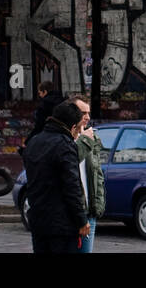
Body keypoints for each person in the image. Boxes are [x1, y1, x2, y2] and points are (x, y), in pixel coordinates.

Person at [22, 100, 89, 254]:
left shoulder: (34, 142)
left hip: (38, 219)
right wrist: (81, 220)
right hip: (62, 224)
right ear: (72, 127)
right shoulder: (65, 146)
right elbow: (72, 187)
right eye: (78, 130)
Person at [70, 94, 106, 253]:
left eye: (88, 113)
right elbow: (70, 161)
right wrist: (84, 140)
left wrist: (98, 203)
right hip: (71, 213)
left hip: (88, 212)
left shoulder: (92, 137)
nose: (87, 117)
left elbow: (97, 174)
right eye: (82, 113)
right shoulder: (64, 140)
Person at [25, 81, 64, 146]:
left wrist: (27, 141)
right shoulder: (63, 101)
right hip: (62, 136)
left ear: (45, 92)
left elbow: (39, 125)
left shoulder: (44, 104)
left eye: (40, 93)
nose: (40, 95)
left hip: (48, 136)